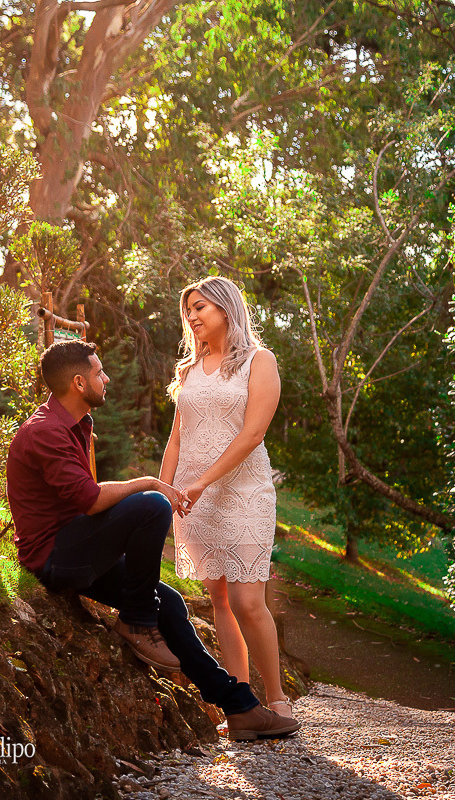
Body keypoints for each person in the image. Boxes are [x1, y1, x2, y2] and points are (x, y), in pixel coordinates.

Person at [7, 338, 299, 741]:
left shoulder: (77, 424)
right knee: (151, 505)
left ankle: (240, 708)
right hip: (55, 558)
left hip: (76, 546)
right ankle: (137, 621)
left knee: (173, 602)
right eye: (99, 373)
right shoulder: (45, 432)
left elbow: (81, 502)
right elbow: (90, 501)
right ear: (78, 382)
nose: (106, 379)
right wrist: (149, 482)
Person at [160, 276, 291, 717]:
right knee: (218, 599)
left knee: (247, 601)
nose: (192, 317)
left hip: (245, 492)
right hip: (195, 499)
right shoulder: (189, 371)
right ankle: (242, 703)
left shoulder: (260, 361)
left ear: (226, 308)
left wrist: (202, 481)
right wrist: (164, 492)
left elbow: (253, 433)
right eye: (189, 311)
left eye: (200, 307)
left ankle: (278, 699)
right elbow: (177, 439)